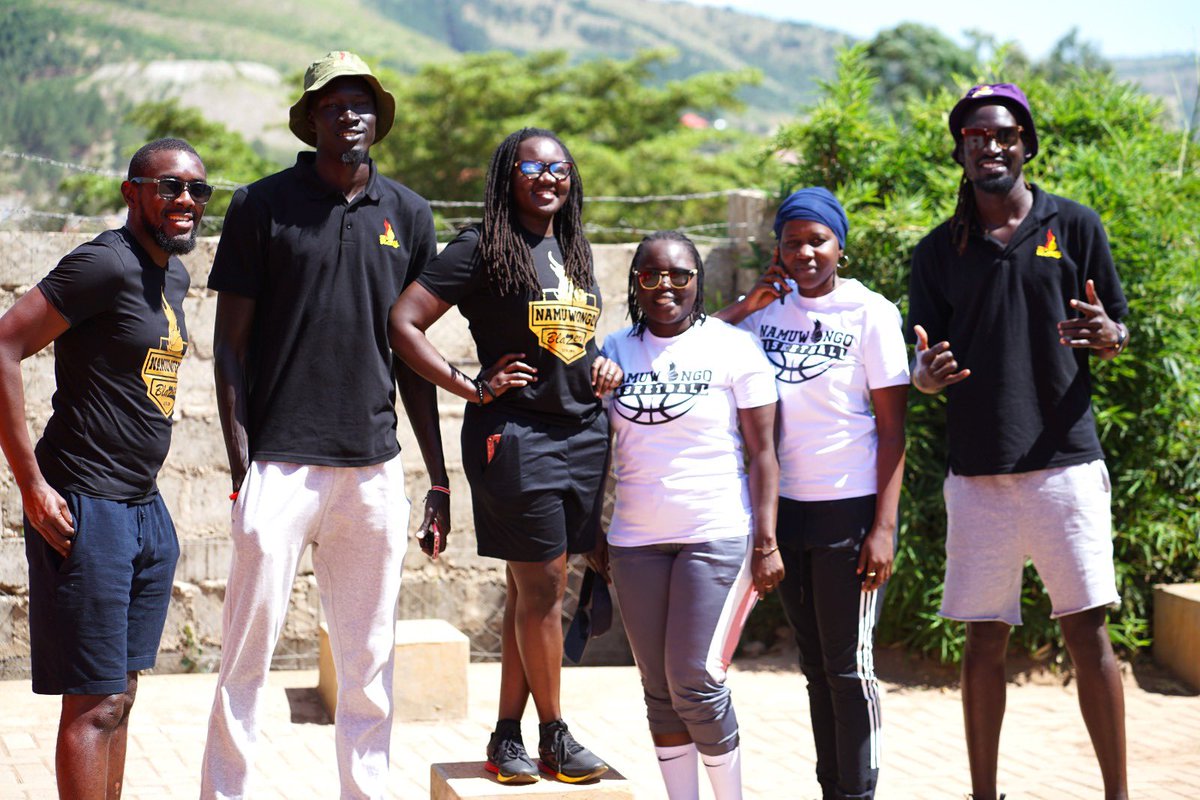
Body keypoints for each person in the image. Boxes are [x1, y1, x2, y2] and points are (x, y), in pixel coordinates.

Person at [199, 52, 450, 799]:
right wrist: (243, 470)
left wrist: (436, 477)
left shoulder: (409, 214)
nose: (351, 116)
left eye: (364, 104)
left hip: (373, 467)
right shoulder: (261, 205)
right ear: (310, 120)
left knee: (370, 662)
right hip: (280, 466)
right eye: (334, 105)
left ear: (380, 119)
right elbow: (229, 347)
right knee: (245, 658)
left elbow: (413, 356)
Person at [907, 83, 1130, 800]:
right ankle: (983, 795)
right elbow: (922, 358)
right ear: (960, 152)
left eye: (1004, 134)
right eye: (975, 136)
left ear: (1026, 145)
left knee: (1088, 634)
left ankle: (1118, 795)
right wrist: (927, 378)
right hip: (977, 472)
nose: (991, 146)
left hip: (1066, 464)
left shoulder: (1077, 224)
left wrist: (1109, 336)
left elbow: (1118, 328)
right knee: (982, 639)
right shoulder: (939, 251)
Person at [389, 127, 620, 785]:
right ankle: (555, 736)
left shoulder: (571, 247)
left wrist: (601, 369)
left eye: (560, 167)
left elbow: (574, 343)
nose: (548, 177)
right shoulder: (481, 247)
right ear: (507, 175)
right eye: (532, 166)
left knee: (533, 590)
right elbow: (403, 321)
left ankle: (507, 737)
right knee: (544, 586)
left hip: (581, 432)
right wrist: (472, 384)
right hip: (516, 435)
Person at [0, 138, 205, 798]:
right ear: (132, 192)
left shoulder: (172, 274)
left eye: (198, 191)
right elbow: (4, 344)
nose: (185, 201)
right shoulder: (105, 264)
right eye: (169, 187)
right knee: (91, 707)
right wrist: (30, 484)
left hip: (143, 508)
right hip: (86, 505)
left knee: (119, 700)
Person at [715, 188, 909, 800]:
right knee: (815, 667)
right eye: (793, 241)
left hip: (848, 511)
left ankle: (858, 792)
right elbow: (686, 344)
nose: (805, 252)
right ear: (778, 247)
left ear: (840, 247)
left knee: (850, 667)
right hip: (783, 514)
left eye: (817, 240)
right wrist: (748, 304)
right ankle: (833, 789)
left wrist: (884, 527)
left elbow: (893, 429)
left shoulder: (871, 314)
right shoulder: (765, 315)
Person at [598, 231, 782, 800]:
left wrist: (767, 541)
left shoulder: (732, 348)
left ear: (698, 281)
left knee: (695, 680)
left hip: (715, 534)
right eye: (651, 276)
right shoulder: (613, 351)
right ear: (635, 282)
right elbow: (589, 447)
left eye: (679, 275)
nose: (665, 287)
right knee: (658, 688)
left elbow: (764, 452)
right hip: (634, 541)